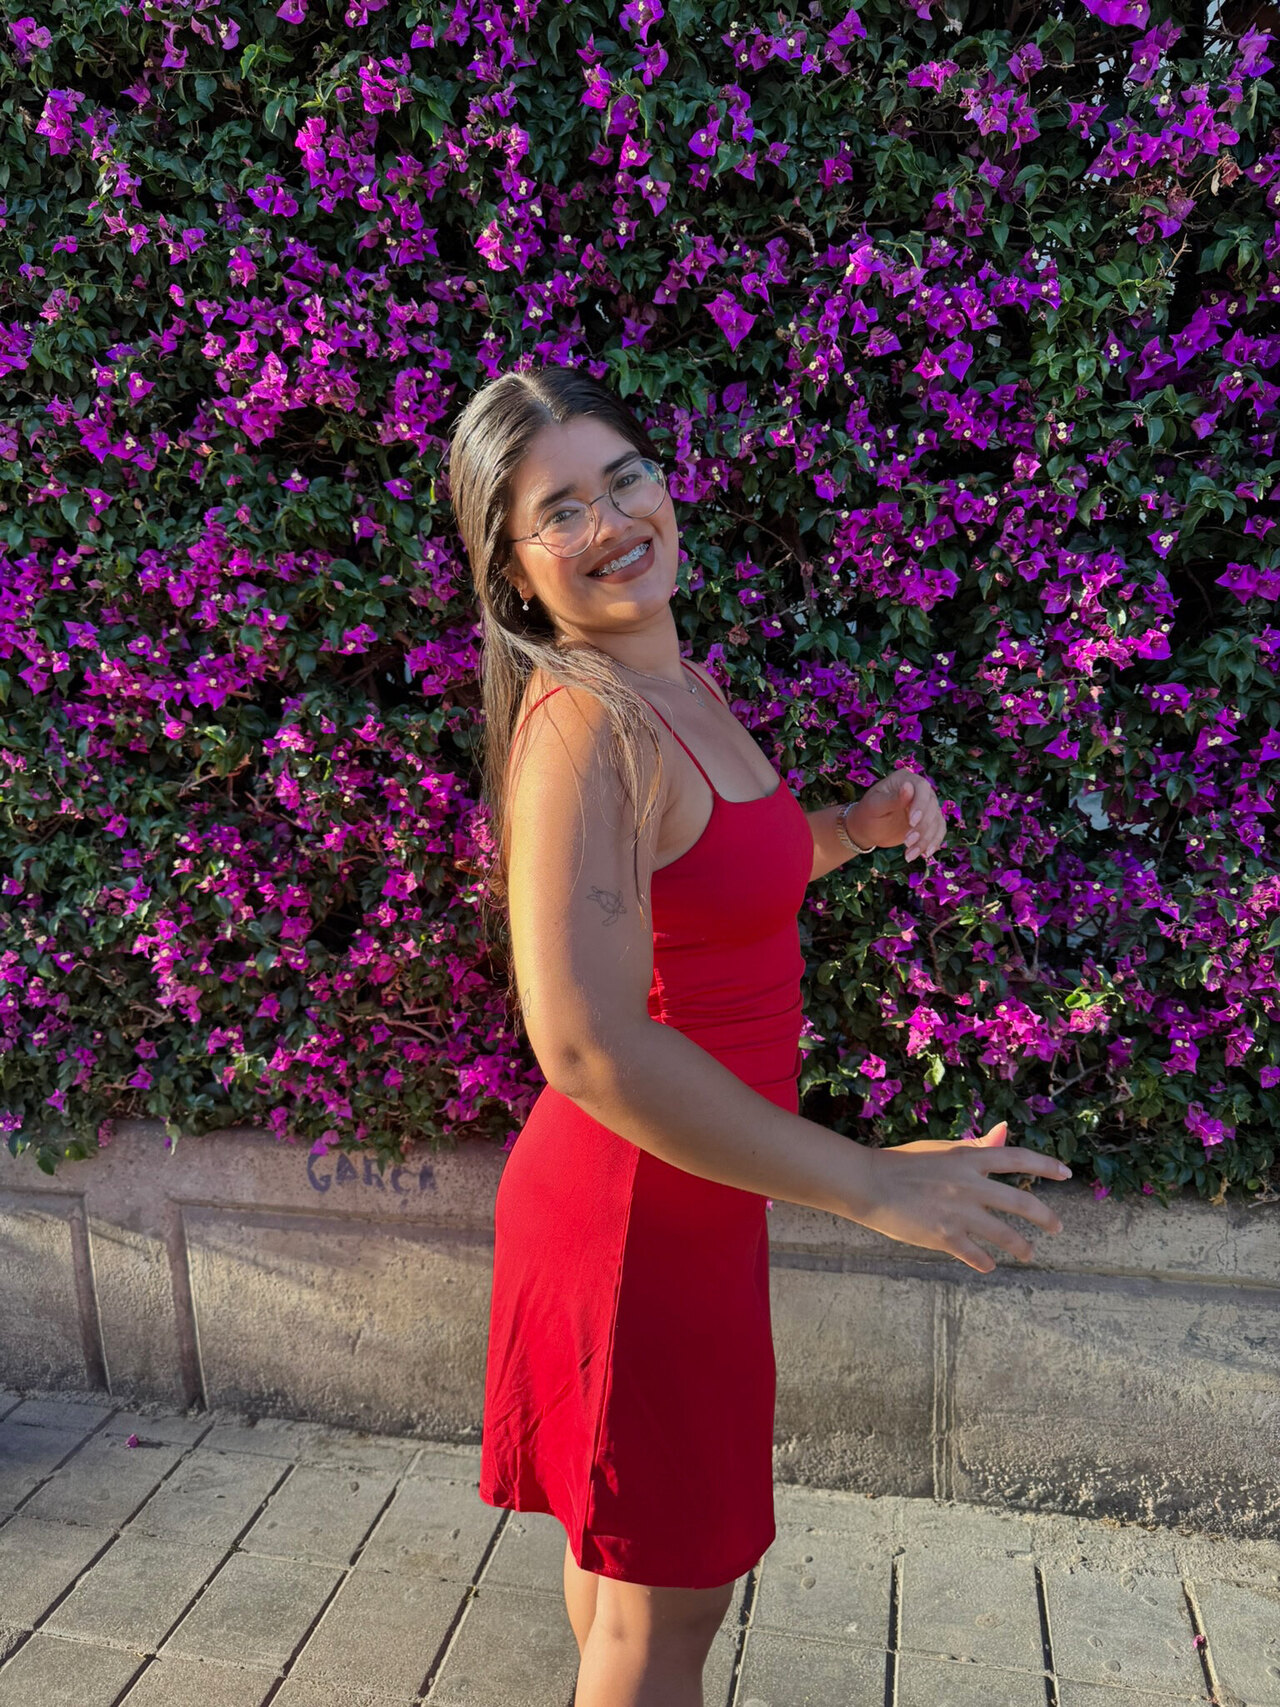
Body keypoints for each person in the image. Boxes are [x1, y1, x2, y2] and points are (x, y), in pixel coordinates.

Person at [445, 364, 1070, 1707]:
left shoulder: (678, 683)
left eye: (624, 478)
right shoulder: (587, 729)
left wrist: (851, 828)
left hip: (693, 1200)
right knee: (668, 1609)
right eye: (561, 510)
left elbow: (718, 886)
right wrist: (872, 1183)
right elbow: (589, 1047)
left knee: (633, 1580)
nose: (612, 521)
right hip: (630, 1220)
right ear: (514, 570)